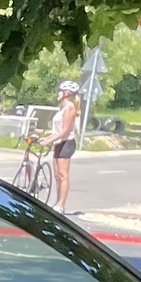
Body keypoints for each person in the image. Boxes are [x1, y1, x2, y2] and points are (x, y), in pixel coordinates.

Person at [51, 80, 85, 208]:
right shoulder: (62, 108)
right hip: (59, 142)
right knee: (57, 175)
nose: (58, 94)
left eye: (60, 91)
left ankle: (61, 205)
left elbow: (65, 131)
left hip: (66, 143)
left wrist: (49, 140)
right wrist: (44, 138)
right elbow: (57, 130)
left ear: (66, 93)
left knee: (63, 175)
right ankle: (57, 202)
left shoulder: (70, 107)